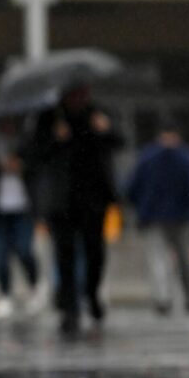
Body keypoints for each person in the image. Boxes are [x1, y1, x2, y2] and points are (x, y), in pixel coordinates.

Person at [22, 85, 123, 335]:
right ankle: (70, 309)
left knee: (95, 253)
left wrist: (105, 129)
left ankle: (91, 293)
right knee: (64, 256)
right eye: (75, 94)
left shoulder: (98, 114)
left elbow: (119, 141)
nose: (80, 99)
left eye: (83, 94)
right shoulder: (48, 119)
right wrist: (55, 139)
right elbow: (33, 154)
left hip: (93, 198)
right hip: (62, 201)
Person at [125, 122, 189, 315]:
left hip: (153, 216)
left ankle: (163, 298)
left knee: (157, 258)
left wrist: (139, 207)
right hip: (181, 216)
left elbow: (132, 187)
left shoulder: (147, 156)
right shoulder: (185, 156)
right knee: (185, 258)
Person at [0, 116, 42, 318]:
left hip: (22, 208)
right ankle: (4, 294)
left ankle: (34, 286)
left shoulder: (27, 143)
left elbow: (38, 165)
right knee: (1, 256)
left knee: (23, 249)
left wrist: (21, 165)